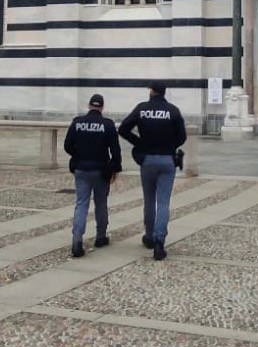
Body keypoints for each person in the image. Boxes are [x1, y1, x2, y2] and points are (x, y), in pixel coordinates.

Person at [119, 81, 186, 261]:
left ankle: (149, 236)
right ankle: (159, 241)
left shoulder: (142, 109)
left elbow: (123, 129)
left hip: (147, 159)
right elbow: (182, 137)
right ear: (163, 92)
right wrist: (170, 145)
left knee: (149, 200)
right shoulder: (173, 110)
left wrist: (139, 142)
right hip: (167, 160)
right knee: (163, 202)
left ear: (152, 91)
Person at [64, 94, 122, 258]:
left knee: (81, 203)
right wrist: (115, 168)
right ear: (102, 107)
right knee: (101, 203)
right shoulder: (108, 125)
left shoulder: (77, 122)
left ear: (89, 106)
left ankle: (77, 240)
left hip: (81, 169)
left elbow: (67, 146)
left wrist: (79, 155)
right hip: (100, 170)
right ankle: (101, 236)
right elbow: (115, 151)